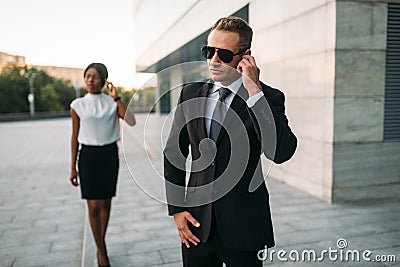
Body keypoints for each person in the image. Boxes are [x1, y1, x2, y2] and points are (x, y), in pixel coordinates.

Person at [164, 17, 297, 266]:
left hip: (244, 225)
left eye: (224, 54)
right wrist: (177, 209)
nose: (213, 60)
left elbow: (280, 151)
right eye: (209, 51)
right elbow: (174, 152)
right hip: (196, 224)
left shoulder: (268, 97)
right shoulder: (190, 93)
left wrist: (255, 92)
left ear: (245, 56)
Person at [69, 63, 135, 267]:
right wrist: (73, 167)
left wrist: (116, 97)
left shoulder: (112, 103)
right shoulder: (77, 105)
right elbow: (74, 137)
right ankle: (101, 250)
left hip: (108, 156)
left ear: (104, 80)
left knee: (106, 203)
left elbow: (131, 120)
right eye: (87, 76)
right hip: (88, 156)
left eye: (95, 77)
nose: (90, 80)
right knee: (93, 206)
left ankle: (101, 242)